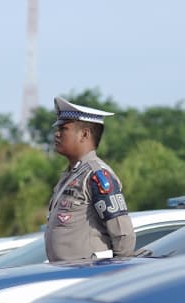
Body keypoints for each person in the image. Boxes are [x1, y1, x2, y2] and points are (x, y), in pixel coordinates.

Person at [44, 97, 136, 261]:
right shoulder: (72, 174)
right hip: (66, 272)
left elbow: (123, 235)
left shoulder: (96, 174)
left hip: (88, 273)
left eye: (64, 129)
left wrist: (116, 270)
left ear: (84, 134)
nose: (57, 134)